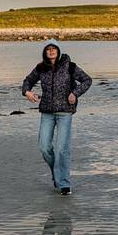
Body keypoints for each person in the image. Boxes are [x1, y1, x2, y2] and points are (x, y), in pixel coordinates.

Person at [21, 39, 92, 195]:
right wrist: (27, 92)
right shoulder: (40, 68)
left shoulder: (70, 66)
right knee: (44, 147)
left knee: (61, 149)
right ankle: (57, 173)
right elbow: (28, 81)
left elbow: (87, 80)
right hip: (47, 111)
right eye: (48, 49)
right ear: (45, 52)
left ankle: (64, 184)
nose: (51, 51)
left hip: (65, 112)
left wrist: (75, 93)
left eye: (54, 49)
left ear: (59, 51)